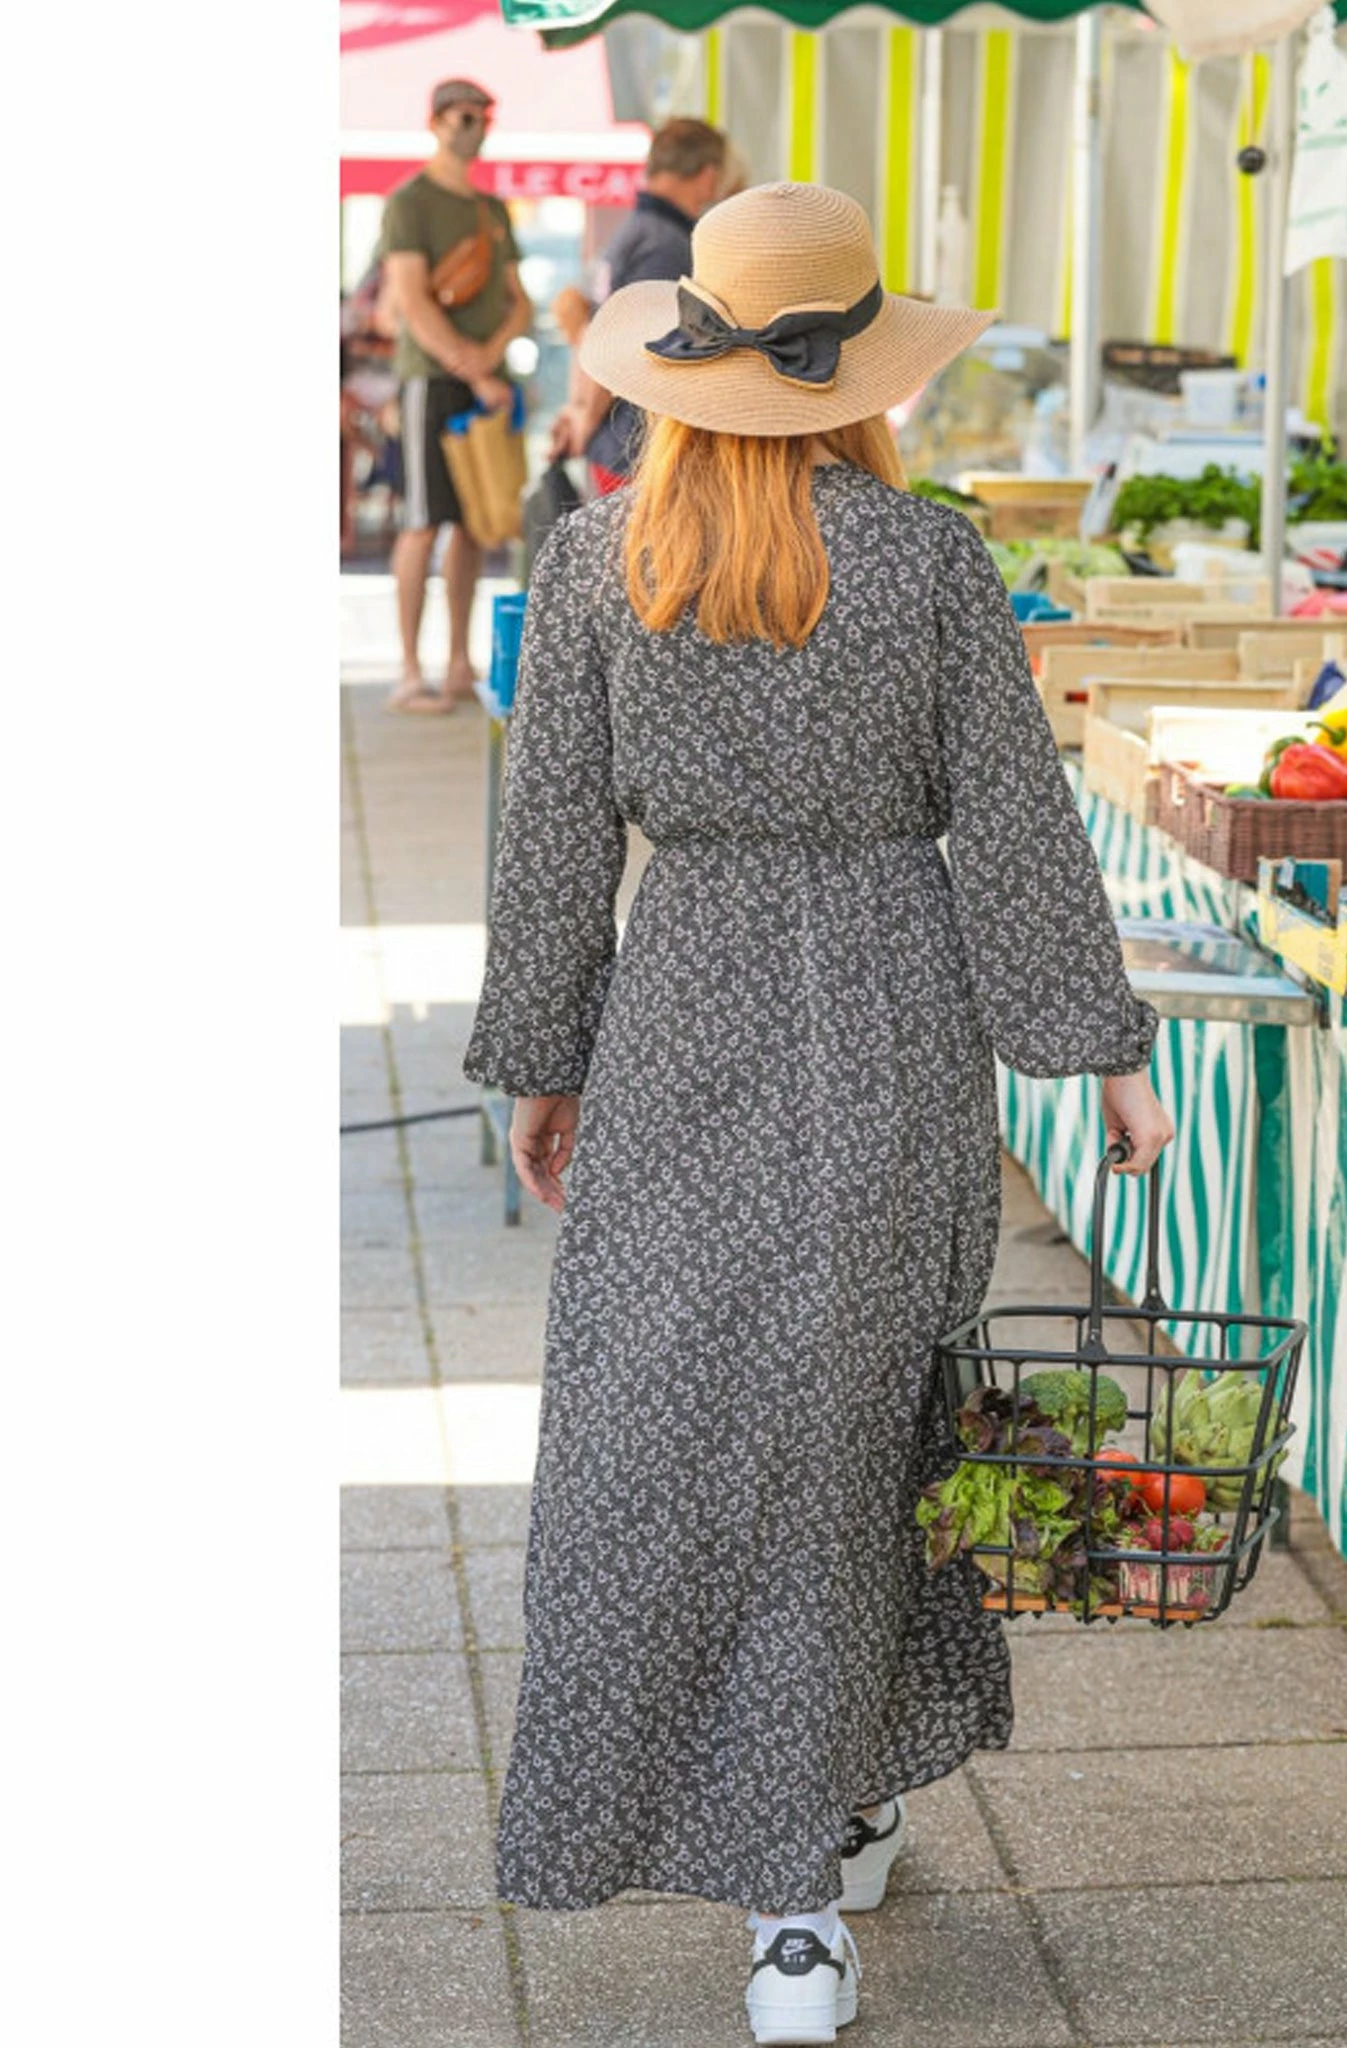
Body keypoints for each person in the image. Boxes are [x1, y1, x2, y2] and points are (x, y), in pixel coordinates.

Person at [461, 182, 1174, 2046]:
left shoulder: (602, 556)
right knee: (862, 1417)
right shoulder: (933, 563)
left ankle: (795, 1873)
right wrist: (1097, 1046)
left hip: (679, 1002)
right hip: (887, 1009)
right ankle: (812, 1860)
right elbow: (1015, 824)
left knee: (679, 1423)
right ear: (862, 370)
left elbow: (545, 850)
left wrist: (550, 1059)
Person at [377, 78, 532, 713]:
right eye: (464, 116)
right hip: (433, 380)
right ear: (437, 121)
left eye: (483, 117)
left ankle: (460, 662)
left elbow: (519, 300)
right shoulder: (409, 201)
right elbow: (411, 300)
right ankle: (410, 668)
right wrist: (473, 369)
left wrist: (492, 353)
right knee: (423, 521)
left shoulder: (490, 210)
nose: (474, 127)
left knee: (474, 524)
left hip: (485, 381)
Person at [548, 118, 729, 493]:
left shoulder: (635, 230)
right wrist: (586, 416)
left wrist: (581, 410)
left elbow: (591, 325)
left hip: (611, 437)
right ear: (708, 174)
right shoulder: (666, 244)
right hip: (631, 443)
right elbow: (628, 337)